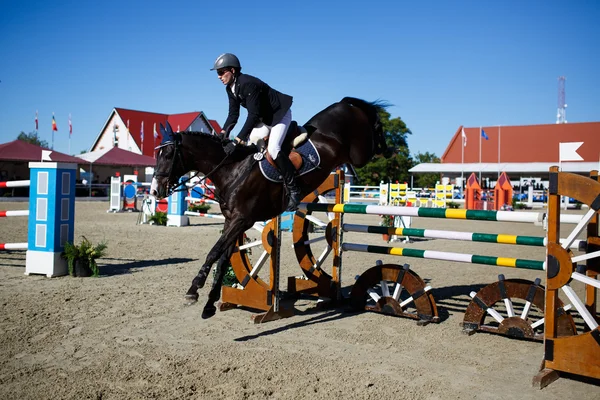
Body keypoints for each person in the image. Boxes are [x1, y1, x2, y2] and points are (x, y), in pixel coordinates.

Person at [211, 53, 301, 211]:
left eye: (221, 72)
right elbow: (233, 114)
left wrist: (237, 140)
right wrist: (223, 133)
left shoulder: (248, 83)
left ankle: (294, 189)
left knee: (273, 149)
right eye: (217, 73)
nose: (218, 76)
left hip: (279, 114)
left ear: (232, 70)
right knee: (252, 141)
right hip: (265, 118)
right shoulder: (230, 88)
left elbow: (253, 116)